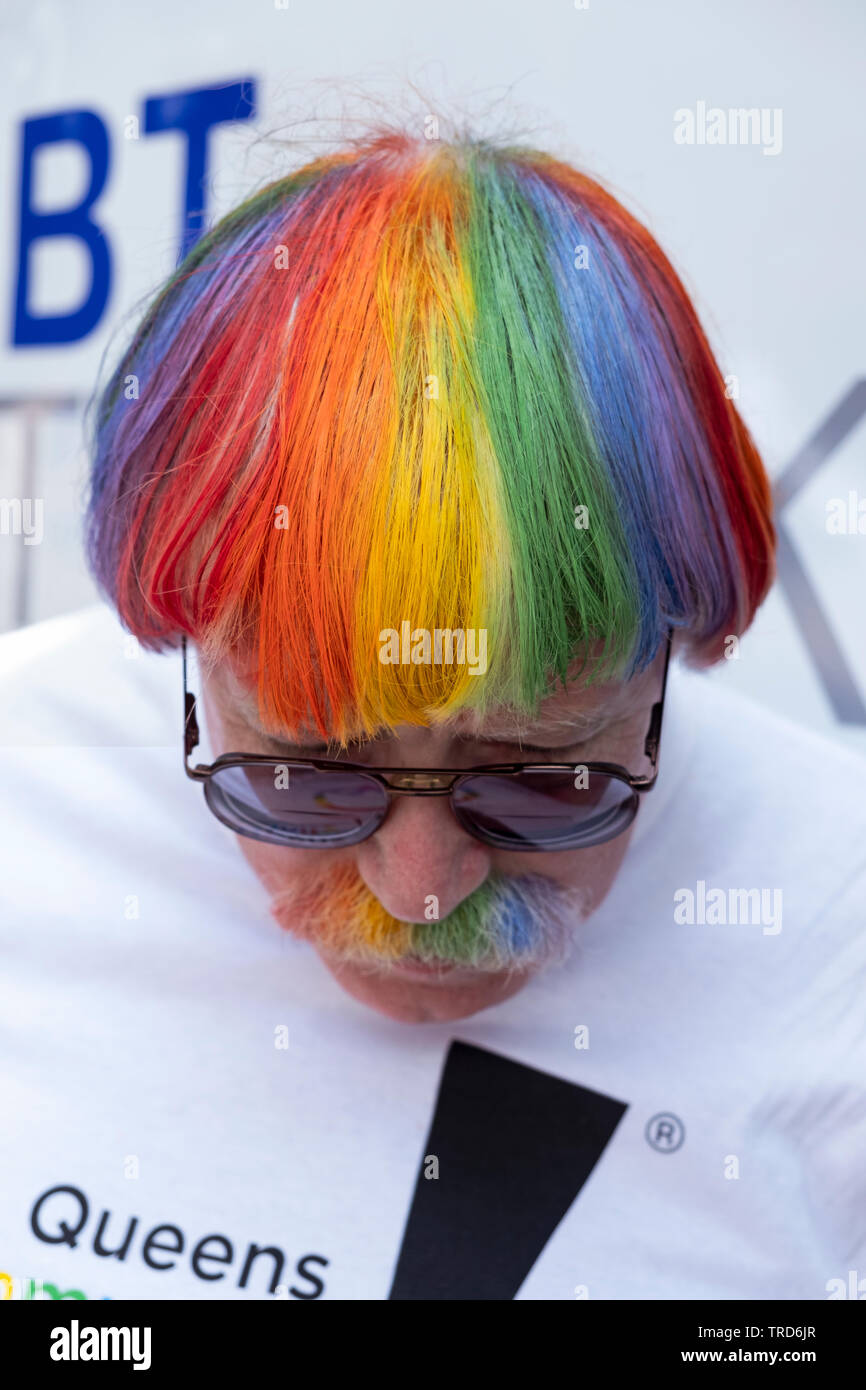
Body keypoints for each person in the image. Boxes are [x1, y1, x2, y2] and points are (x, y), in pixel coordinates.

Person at [1, 128, 864, 1302]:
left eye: (539, 778)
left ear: (674, 666)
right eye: (306, 777)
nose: (418, 891)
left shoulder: (836, 931)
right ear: (186, 653)